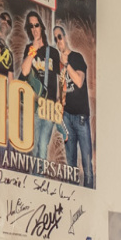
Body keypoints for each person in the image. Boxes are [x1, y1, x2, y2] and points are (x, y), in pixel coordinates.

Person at [20, 12, 60, 169]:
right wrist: (33, 50)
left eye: (36, 25)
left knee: (43, 146)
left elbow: (58, 80)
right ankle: (33, 177)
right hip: (34, 106)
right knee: (34, 146)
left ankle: (39, 177)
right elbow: (24, 71)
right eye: (31, 26)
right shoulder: (28, 49)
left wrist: (59, 103)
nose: (34, 28)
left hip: (49, 107)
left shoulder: (53, 53)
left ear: (41, 27)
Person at [62, 50, 94, 187]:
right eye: (56, 39)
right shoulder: (58, 62)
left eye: (59, 39)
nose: (58, 41)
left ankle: (89, 193)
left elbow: (79, 81)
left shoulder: (76, 57)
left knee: (87, 163)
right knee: (71, 163)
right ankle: (72, 194)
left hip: (81, 117)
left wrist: (66, 64)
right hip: (66, 116)